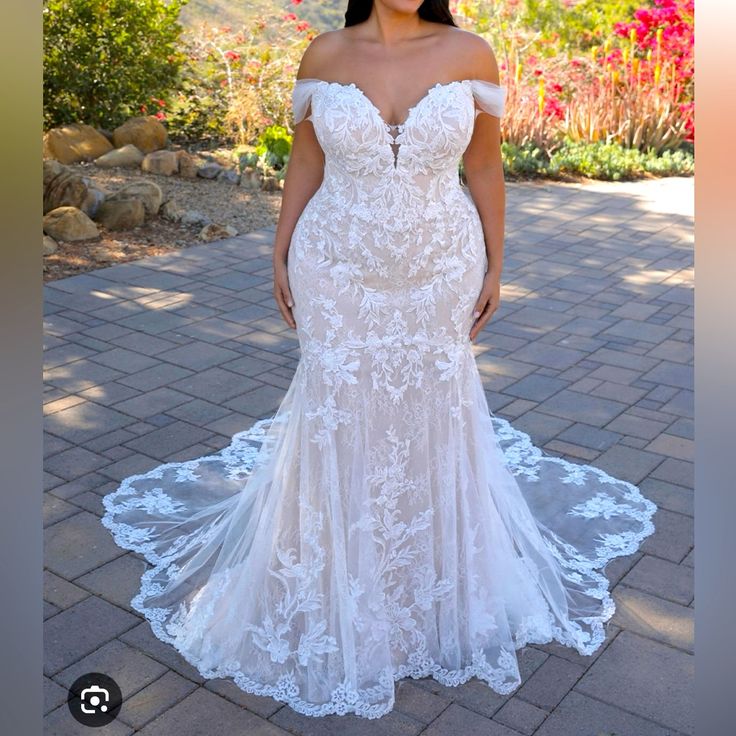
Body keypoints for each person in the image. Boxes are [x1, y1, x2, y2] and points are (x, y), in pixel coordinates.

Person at [101, 0, 657, 720]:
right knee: (339, 408)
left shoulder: (470, 51)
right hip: (334, 262)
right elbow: (307, 157)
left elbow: (484, 165)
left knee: (430, 407)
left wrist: (496, 266)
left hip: (440, 265)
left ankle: (423, 590)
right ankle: (333, 582)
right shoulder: (324, 55)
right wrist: (280, 249)